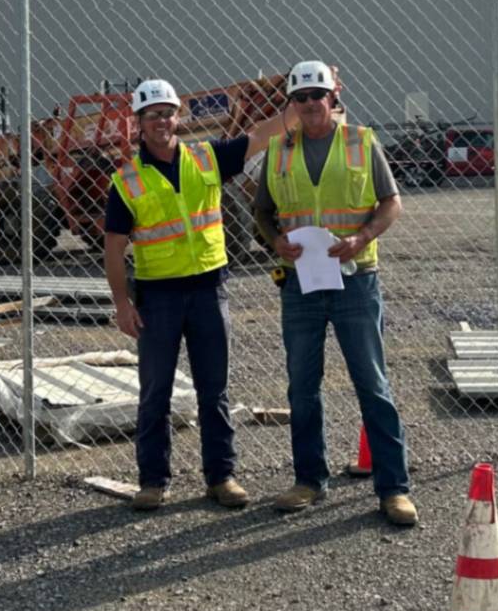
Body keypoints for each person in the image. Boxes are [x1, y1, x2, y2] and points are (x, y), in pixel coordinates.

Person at [104, 78, 294, 513]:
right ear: (139, 123)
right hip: (158, 298)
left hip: (209, 289)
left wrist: (304, 102)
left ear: (179, 117)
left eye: (168, 112)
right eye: (152, 115)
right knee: (155, 392)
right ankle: (153, 481)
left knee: (215, 389)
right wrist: (121, 303)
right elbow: (113, 246)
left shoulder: (207, 157)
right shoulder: (127, 181)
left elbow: (262, 134)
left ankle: (222, 477)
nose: (162, 121)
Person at [255, 60, 415, 527]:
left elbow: (391, 202)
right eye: (300, 98)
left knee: (373, 384)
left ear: (334, 96)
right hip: (301, 285)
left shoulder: (361, 142)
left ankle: (394, 488)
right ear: (291, 104)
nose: (309, 105)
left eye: (317, 95)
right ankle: (309, 480)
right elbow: (262, 212)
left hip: (355, 282)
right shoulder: (278, 152)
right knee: (302, 388)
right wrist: (274, 241)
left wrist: (362, 238)